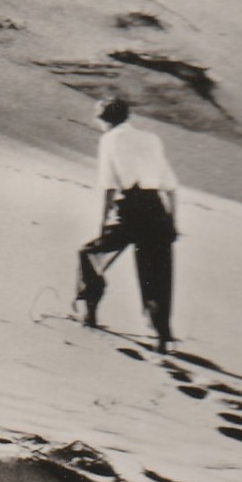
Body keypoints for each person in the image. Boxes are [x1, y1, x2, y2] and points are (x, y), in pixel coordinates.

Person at [75, 96, 179, 352]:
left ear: (104, 118)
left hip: (130, 208)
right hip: (158, 211)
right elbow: (171, 186)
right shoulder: (152, 139)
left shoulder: (109, 139)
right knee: (157, 276)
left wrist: (103, 225)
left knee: (89, 254)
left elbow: (109, 186)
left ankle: (89, 312)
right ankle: (162, 336)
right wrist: (172, 221)